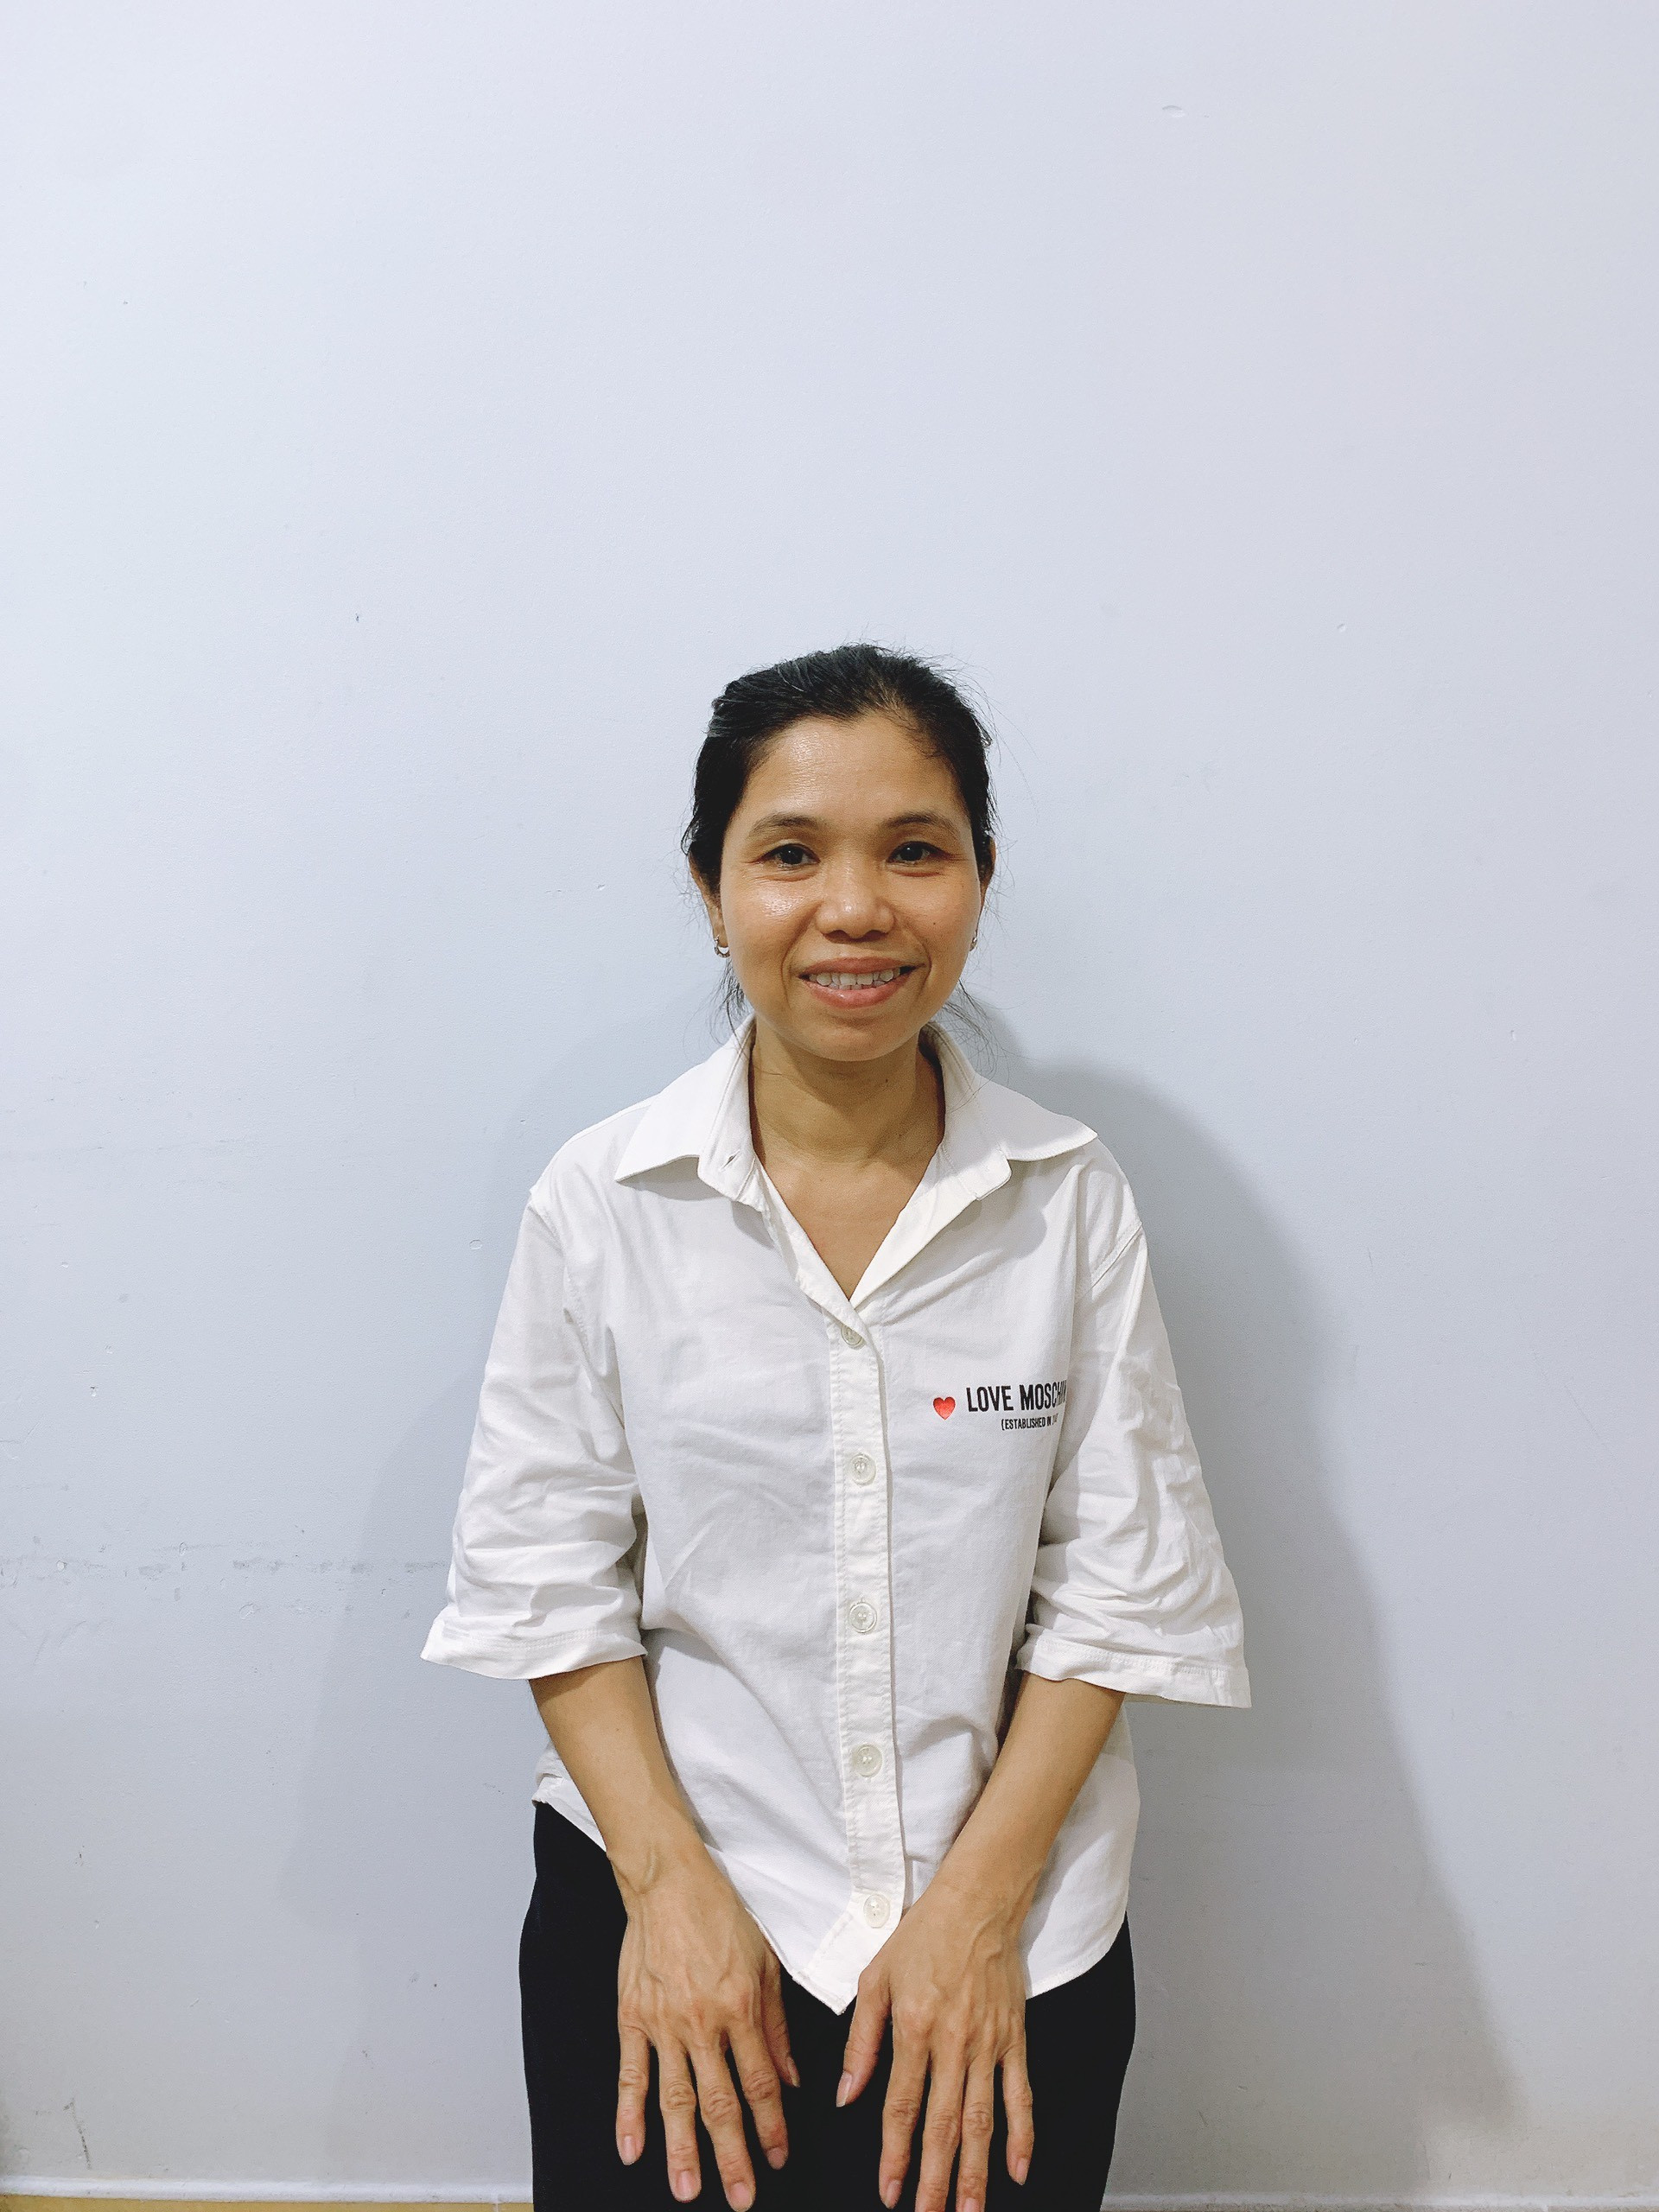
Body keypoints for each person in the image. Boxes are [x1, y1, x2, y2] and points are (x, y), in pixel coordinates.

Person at [422, 644, 1249, 2212]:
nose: (854, 908)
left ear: (981, 877)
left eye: (914, 850)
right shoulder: (604, 1202)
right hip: (669, 1901)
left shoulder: (1067, 1199)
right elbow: (548, 1583)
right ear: (711, 888)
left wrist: (977, 1918)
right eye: (791, 854)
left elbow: (1120, 1591)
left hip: (1017, 1926)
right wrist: (669, 1892)